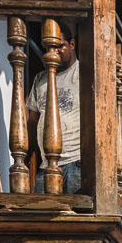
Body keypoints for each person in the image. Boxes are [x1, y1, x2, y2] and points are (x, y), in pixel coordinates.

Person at [26, 23, 80, 193]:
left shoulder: (84, 74)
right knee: (40, 215)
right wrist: (27, 155)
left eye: (59, 46)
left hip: (76, 163)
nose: (54, 52)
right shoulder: (40, 79)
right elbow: (33, 121)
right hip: (46, 164)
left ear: (72, 44)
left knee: (77, 216)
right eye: (49, 48)